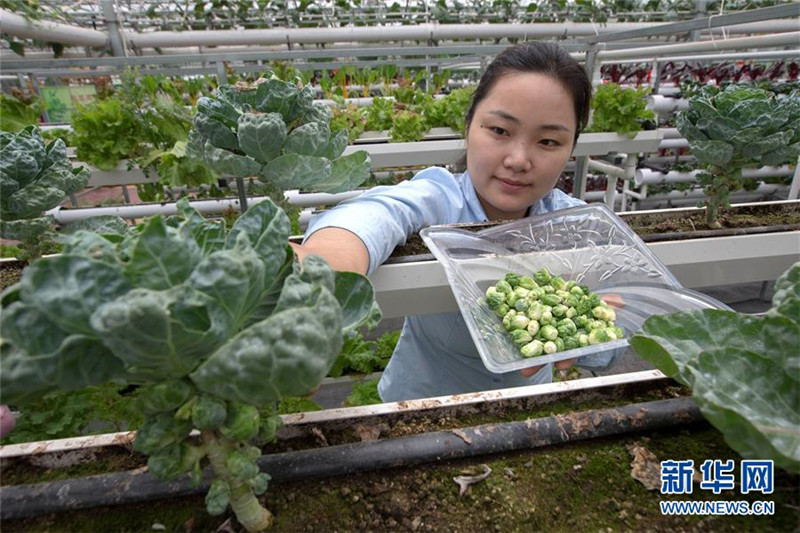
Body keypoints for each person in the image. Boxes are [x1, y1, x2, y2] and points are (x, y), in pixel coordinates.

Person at [291, 41, 593, 402]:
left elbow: (613, 339)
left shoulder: (573, 221)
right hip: (421, 408)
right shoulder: (442, 198)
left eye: (547, 141)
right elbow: (378, 213)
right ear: (469, 127)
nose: (518, 159)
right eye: (499, 131)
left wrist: (596, 330)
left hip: (526, 407)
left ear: (571, 149)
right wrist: (321, 283)